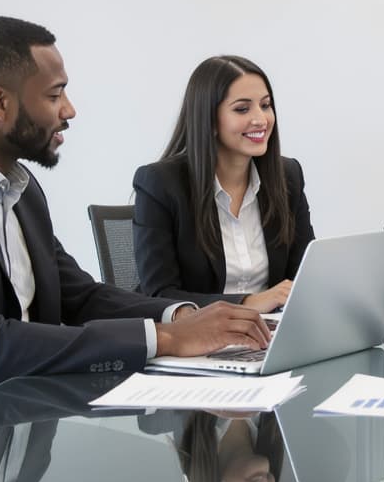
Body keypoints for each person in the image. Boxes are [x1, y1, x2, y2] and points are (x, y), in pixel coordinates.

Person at [0, 17, 270, 456]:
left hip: (13, 450)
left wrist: (182, 316)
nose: (69, 110)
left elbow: (78, 296)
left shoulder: (16, 187)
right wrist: (166, 338)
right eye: (54, 94)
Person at [132, 55, 314, 311]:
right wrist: (248, 303)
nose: (261, 119)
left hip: (269, 335)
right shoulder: (161, 184)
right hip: (196, 339)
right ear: (209, 118)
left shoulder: (288, 176)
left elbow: (304, 277)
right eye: (242, 109)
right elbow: (159, 294)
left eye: (265, 105)